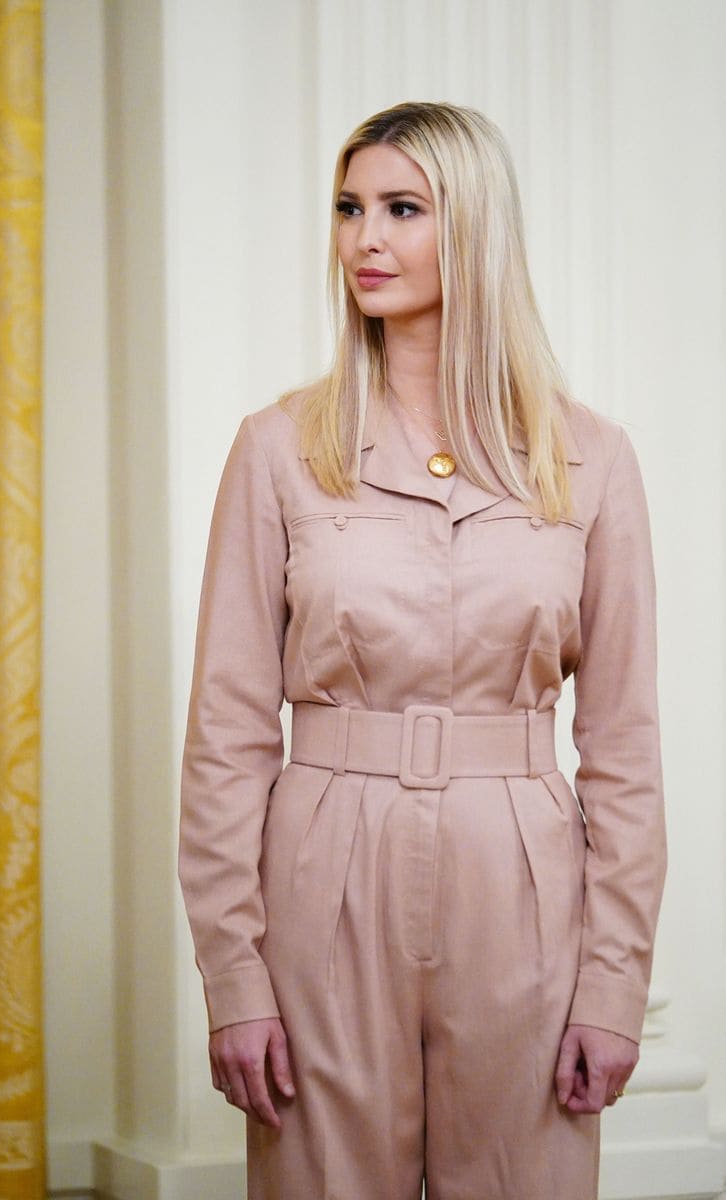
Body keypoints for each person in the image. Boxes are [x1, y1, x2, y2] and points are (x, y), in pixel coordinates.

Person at [178, 100, 666, 1200]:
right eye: (350, 209)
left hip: (522, 876)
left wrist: (612, 990)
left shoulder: (590, 460)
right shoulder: (276, 451)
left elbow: (626, 746)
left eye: (403, 209)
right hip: (324, 866)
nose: (366, 239)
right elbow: (227, 733)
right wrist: (235, 976)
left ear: (476, 229)